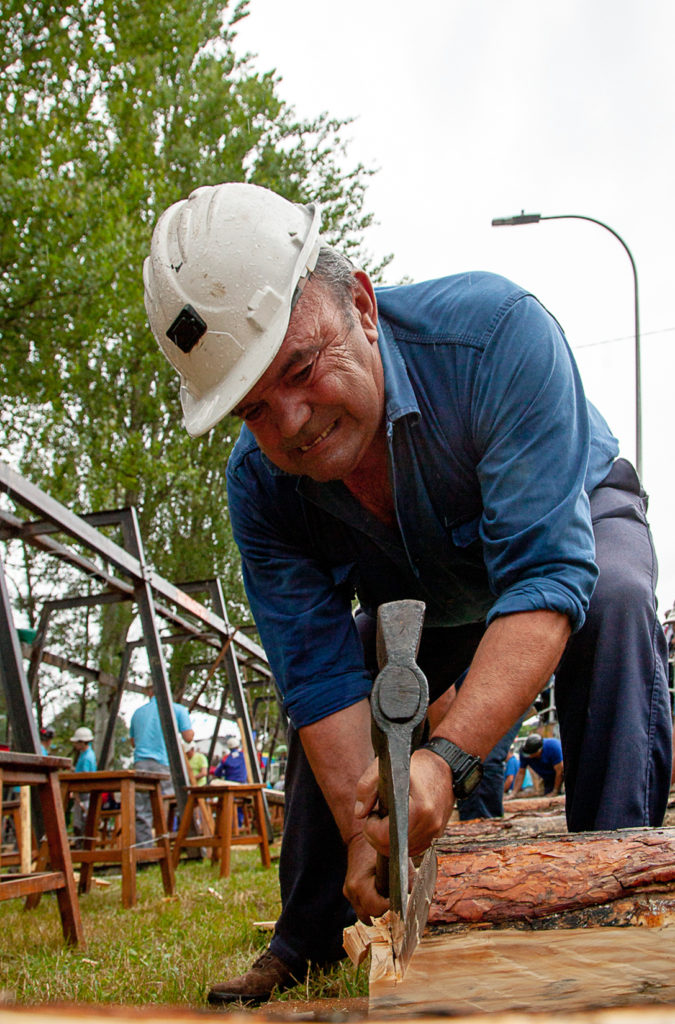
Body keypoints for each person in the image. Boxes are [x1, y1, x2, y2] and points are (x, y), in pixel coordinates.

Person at [144, 183, 672, 1004]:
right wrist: (370, 833)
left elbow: (544, 573)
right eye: (254, 409)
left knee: (614, 600)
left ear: (360, 303)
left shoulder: (497, 335)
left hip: (565, 520)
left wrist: (442, 760)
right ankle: (313, 932)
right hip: (421, 585)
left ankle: (608, 893)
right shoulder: (260, 486)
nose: (291, 423)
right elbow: (317, 678)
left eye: (301, 367)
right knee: (352, 662)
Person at [129, 683, 193, 846]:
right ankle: (182, 843)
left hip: (141, 764)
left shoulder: (138, 713)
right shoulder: (177, 710)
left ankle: (145, 850)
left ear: (149, 693)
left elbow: (133, 742)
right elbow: (188, 737)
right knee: (173, 804)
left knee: (142, 809)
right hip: (164, 763)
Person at [510, 733, 564, 797]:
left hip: (562, 775)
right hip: (548, 778)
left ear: (539, 751)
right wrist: (514, 793)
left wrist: (555, 791)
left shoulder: (553, 747)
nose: (529, 756)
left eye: (531, 754)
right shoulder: (524, 752)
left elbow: (559, 771)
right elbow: (521, 773)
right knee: (547, 795)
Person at [70, 726, 97, 838]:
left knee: (81, 819)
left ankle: (81, 841)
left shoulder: (86, 757)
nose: (75, 745)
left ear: (82, 742)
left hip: (83, 792)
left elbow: (84, 776)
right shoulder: (86, 754)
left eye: (77, 742)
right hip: (82, 792)